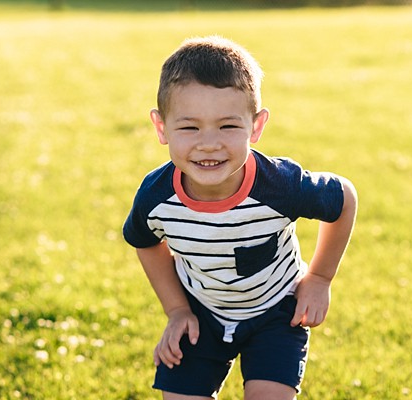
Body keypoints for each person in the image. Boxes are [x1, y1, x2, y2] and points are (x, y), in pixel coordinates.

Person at [123, 36, 358, 399]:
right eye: (189, 128)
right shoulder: (157, 198)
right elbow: (146, 243)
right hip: (202, 313)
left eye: (228, 126)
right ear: (161, 128)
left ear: (257, 126)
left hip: (278, 312)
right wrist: (177, 310)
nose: (209, 143)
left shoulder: (280, 185)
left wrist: (320, 278)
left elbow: (343, 199)